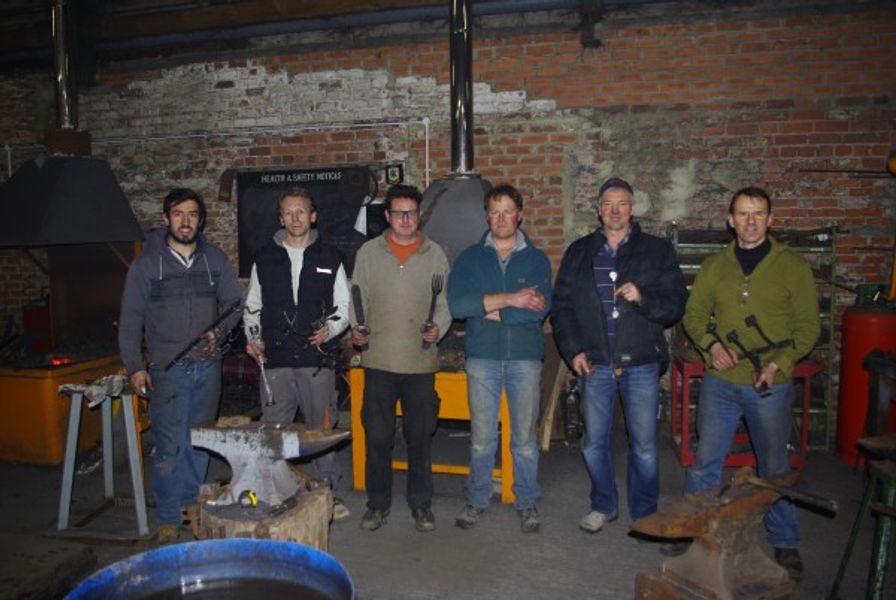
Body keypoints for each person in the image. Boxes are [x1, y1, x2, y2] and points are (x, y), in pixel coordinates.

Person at [680, 186, 819, 580]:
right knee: (706, 460)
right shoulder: (715, 266)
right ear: (730, 220)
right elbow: (694, 317)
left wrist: (780, 364)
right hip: (722, 380)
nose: (751, 221)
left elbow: (809, 328)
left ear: (771, 219)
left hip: (769, 383)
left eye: (758, 213)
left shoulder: (792, 266)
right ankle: (693, 528)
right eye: (743, 214)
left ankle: (786, 542)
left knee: (773, 466)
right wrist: (711, 346)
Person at [551, 177, 686, 535]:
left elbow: (675, 305)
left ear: (632, 208)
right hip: (594, 363)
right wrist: (572, 351)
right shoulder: (579, 252)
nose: (614, 210)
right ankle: (603, 505)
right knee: (594, 443)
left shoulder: (657, 251)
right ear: (598, 210)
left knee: (643, 445)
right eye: (608, 204)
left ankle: (644, 512)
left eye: (622, 203)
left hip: (639, 362)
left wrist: (643, 297)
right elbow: (561, 307)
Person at [118, 187, 242, 546]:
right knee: (169, 445)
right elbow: (130, 321)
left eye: (191, 214)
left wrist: (217, 333)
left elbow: (234, 304)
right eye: (178, 213)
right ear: (166, 218)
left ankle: (193, 506)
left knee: (199, 442)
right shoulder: (147, 265)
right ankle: (169, 516)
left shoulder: (214, 259)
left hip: (207, 367)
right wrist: (134, 367)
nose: (185, 220)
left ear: (200, 221)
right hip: (167, 370)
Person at [448, 184, 552, 533]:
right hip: (483, 359)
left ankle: (526, 501)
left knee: (523, 438)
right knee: (481, 437)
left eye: (508, 211)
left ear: (520, 215)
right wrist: (512, 299)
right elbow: (459, 306)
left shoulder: (535, 259)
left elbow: (539, 311)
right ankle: (477, 499)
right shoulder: (470, 258)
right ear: (487, 216)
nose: (502, 218)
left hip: (525, 359)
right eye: (495, 211)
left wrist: (490, 307)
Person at [242, 187, 350, 521]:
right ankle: (273, 492)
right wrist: (254, 338)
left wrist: (330, 329)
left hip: (316, 360)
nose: (295, 218)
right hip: (275, 360)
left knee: (321, 431)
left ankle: (328, 495)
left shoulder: (330, 257)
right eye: (289, 213)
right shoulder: (264, 257)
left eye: (301, 211)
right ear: (281, 218)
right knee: (274, 431)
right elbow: (253, 307)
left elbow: (343, 306)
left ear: (313, 216)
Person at [350, 183, 450, 533]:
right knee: (378, 436)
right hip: (378, 361)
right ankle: (377, 505)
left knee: (419, 437)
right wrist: (356, 329)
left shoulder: (435, 254)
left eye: (411, 212)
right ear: (388, 216)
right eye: (398, 213)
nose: (406, 219)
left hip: (420, 363)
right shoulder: (369, 253)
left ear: (419, 215)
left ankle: (421, 505)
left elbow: (445, 303)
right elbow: (355, 297)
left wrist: (438, 327)